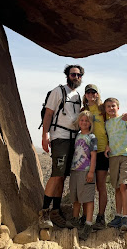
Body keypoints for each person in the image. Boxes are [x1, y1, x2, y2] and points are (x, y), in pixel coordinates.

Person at [38, 65, 84, 229]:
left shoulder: (78, 96)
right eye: (73, 74)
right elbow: (49, 113)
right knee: (57, 174)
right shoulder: (58, 91)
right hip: (59, 137)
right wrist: (45, 135)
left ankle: (55, 211)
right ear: (67, 75)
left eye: (79, 75)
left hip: (73, 139)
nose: (76, 77)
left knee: (63, 176)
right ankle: (44, 212)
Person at [103, 98, 127, 232]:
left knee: (124, 186)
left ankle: (125, 216)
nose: (111, 108)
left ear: (118, 107)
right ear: (106, 109)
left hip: (126, 156)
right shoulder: (106, 123)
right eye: (108, 106)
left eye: (113, 106)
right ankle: (118, 216)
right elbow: (108, 138)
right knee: (117, 188)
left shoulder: (125, 119)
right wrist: (107, 146)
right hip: (113, 157)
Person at [66, 110, 97, 240]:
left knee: (88, 198)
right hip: (75, 170)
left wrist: (91, 171)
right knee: (76, 197)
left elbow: (94, 155)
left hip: (86, 170)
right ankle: (75, 219)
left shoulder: (92, 137)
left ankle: (88, 225)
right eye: (82, 120)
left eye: (86, 120)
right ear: (79, 122)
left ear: (90, 123)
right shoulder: (77, 136)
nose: (84, 122)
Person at [81, 84, 109, 230]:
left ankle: (101, 216)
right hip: (87, 152)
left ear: (97, 94)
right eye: (88, 92)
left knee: (101, 185)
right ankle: (86, 216)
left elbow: (110, 125)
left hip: (102, 150)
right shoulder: (83, 111)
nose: (91, 95)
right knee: (87, 185)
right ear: (85, 95)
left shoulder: (103, 109)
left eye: (93, 92)